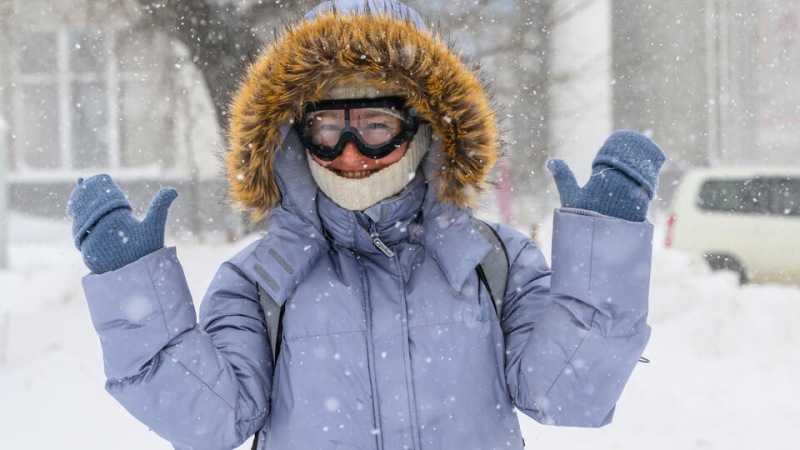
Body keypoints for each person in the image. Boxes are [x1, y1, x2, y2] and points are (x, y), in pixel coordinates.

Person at [66, 1, 665, 449]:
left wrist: (601, 261)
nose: (350, 154)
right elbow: (210, 419)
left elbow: (570, 395)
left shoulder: (494, 262)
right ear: (294, 139)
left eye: (375, 126)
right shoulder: (259, 280)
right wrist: (134, 295)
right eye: (329, 130)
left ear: (424, 127)